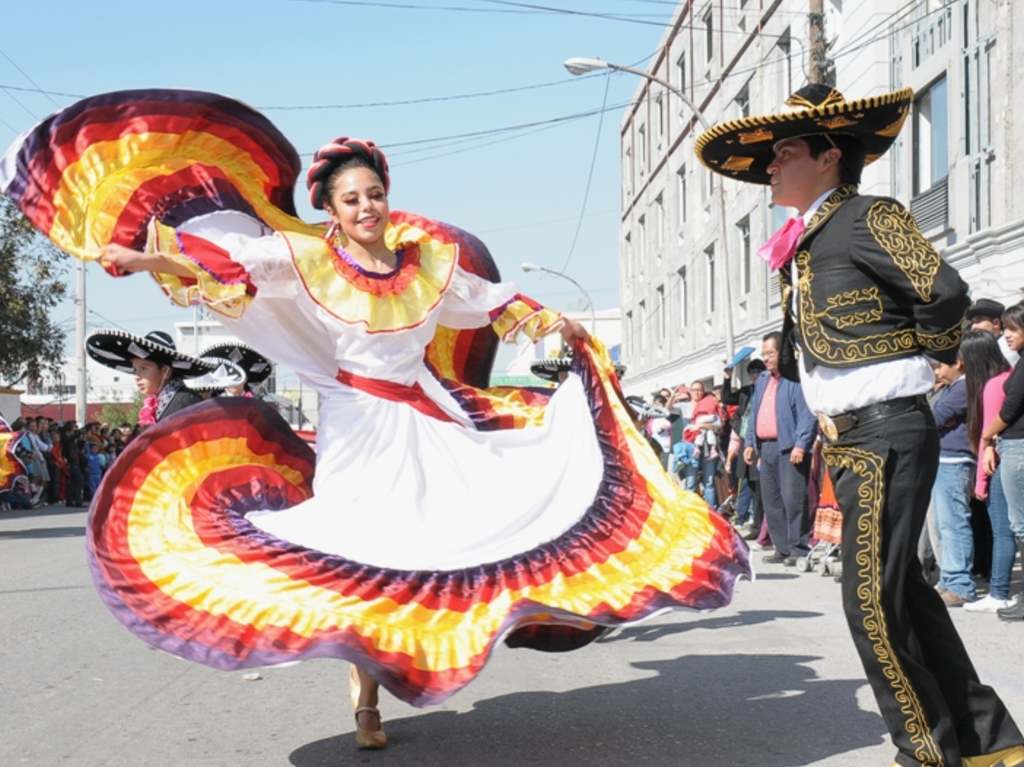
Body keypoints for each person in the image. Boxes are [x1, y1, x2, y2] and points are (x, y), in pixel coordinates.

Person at [1, 89, 749, 752]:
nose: (365, 208)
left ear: (387, 198)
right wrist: (145, 258)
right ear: (330, 210)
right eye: (350, 199)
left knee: (461, 539)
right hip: (359, 429)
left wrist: (562, 325)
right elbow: (219, 263)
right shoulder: (308, 260)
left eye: (373, 195)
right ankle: (365, 698)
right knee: (367, 555)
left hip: (429, 423)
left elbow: (490, 302)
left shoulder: (428, 266)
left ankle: (439, 647)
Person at [698, 83, 1023, 765]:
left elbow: (944, 291)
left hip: (884, 431)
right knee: (902, 592)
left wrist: (935, 356)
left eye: (783, 151)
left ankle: (926, 753)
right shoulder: (807, 237)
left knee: (869, 603)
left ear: (826, 155)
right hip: (851, 440)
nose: (769, 167)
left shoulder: (869, 215)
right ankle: (985, 739)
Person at [744, 332, 817, 565]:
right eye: (763, 354)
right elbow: (754, 413)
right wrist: (749, 443)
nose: (766, 358)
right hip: (766, 448)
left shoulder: (795, 378)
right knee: (772, 500)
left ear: (782, 352)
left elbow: (807, 413)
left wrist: (801, 443)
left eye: (770, 353)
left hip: (789, 447)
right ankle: (782, 547)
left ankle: (798, 548)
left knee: (793, 499)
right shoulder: (763, 380)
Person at [960, 330, 1017, 614]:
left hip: (998, 463)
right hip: (1005, 459)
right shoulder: (1007, 376)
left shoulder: (994, 385)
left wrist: (981, 482)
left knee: (1003, 531)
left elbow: (989, 435)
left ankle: (999, 591)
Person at [981, 303, 1024, 621]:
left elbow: (1009, 411)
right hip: (1012, 445)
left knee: (1020, 525)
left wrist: (986, 438)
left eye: (1012, 329)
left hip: (1018, 447)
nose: (1006, 335)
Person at [85, 330, 211, 425]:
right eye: (135, 369)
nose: (137, 376)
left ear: (165, 371)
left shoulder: (186, 402)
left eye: (144, 368)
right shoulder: (161, 402)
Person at [929, 356, 976, 606]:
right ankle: (949, 579)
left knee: (954, 524)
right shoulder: (952, 387)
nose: (937, 372)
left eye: (940, 366)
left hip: (954, 462)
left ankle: (960, 584)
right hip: (943, 461)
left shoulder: (964, 387)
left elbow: (936, 416)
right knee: (943, 526)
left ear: (959, 362)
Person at [723, 358, 766, 535]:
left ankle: (758, 523)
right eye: (752, 373)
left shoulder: (768, 389)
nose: (754, 376)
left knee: (758, 485)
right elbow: (727, 398)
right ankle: (747, 519)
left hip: (760, 442)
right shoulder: (747, 391)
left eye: (757, 372)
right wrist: (727, 377)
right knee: (746, 481)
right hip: (745, 441)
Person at [966, 298, 1019, 366]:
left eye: (978, 321)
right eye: (972, 322)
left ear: (995, 323)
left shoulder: (1007, 348)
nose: (973, 327)